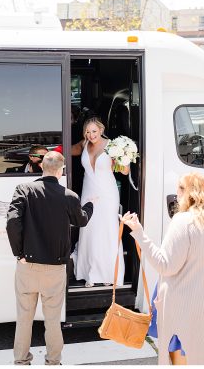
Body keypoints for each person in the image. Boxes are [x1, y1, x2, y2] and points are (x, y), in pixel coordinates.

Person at [120, 173, 204, 365]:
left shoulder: (183, 221)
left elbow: (165, 264)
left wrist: (139, 234)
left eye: (180, 190)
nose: (177, 195)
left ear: (188, 193)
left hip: (182, 310)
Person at [6, 151, 93, 365]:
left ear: (42, 167)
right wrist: (90, 206)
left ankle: (21, 361)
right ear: (61, 171)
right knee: (52, 320)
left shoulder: (23, 190)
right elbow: (81, 221)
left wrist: (19, 253)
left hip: (28, 266)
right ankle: (53, 362)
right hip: (55, 269)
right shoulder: (69, 196)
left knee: (24, 318)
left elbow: (12, 222)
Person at [69, 117, 130, 288]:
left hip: (107, 194)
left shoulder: (112, 146)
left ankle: (109, 273)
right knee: (89, 229)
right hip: (88, 192)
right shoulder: (84, 144)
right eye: (87, 131)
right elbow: (67, 149)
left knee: (107, 231)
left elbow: (125, 172)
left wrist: (123, 158)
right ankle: (90, 272)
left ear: (101, 131)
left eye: (94, 131)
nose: (91, 134)